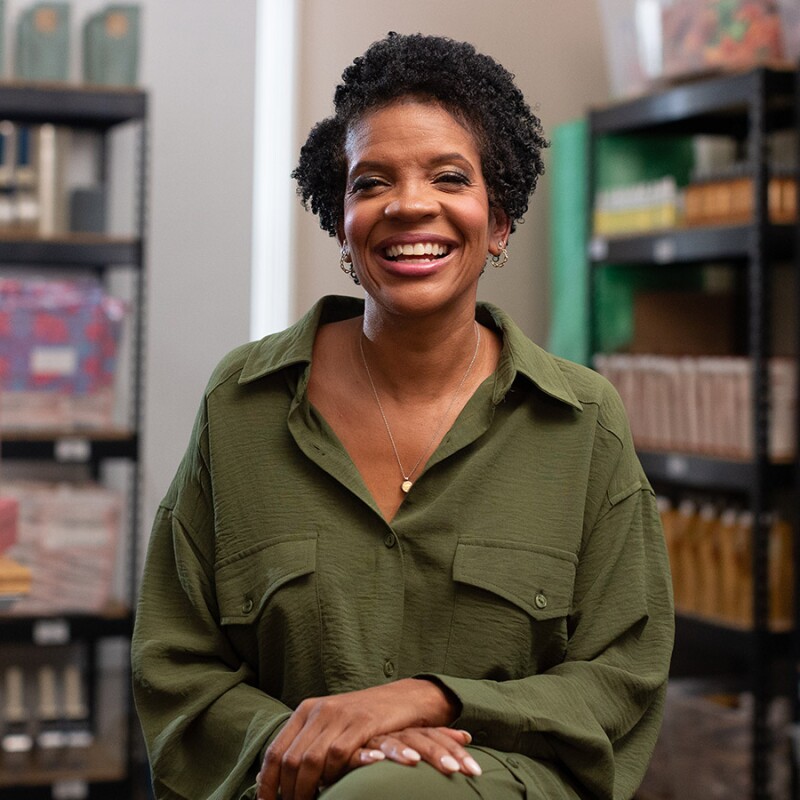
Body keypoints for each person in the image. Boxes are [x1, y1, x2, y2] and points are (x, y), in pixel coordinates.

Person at [132, 32, 674, 800]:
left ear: (499, 222)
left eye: (449, 177)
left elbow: (622, 674)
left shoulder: (583, 422)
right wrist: (326, 744)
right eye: (371, 182)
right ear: (342, 223)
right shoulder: (241, 405)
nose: (409, 204)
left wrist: (431, 701)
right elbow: (175, 663)